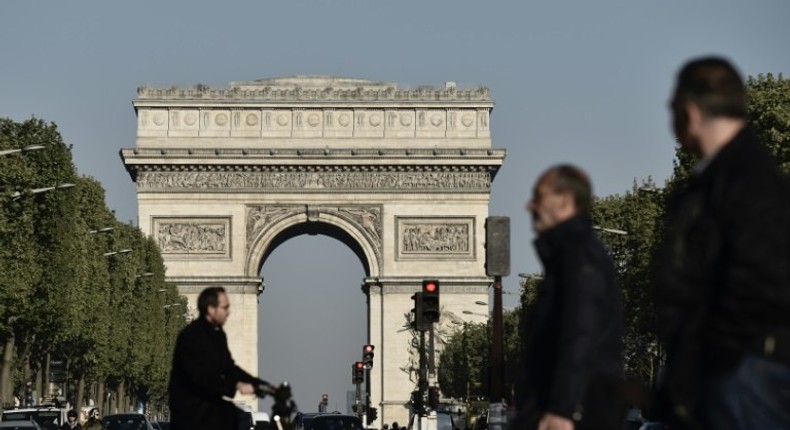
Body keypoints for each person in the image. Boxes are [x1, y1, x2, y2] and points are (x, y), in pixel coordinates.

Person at [655, 56, 790, 429]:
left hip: (738, 373)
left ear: (690, 111)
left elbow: (755, 284)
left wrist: (706, 353)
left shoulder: (744, 183)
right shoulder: (737, 178)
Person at [514, 165, 624, 430]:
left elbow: (580, 332)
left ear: (564, 201)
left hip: (568, 415)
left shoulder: (579, 256)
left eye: (539, 197)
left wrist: (562, 409)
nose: (530, 206)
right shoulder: (571, 254)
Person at [169, 286, 271, 430]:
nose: (228, 312)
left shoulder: (218, 335)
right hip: (190, 410)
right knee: (238, 417)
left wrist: (261, 384)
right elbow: (199, 378)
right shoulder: (190, 336)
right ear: (211, 309)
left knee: (240, 417)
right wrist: (236, 385)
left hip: (207, 406)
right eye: (225, 307)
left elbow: (230, 368)